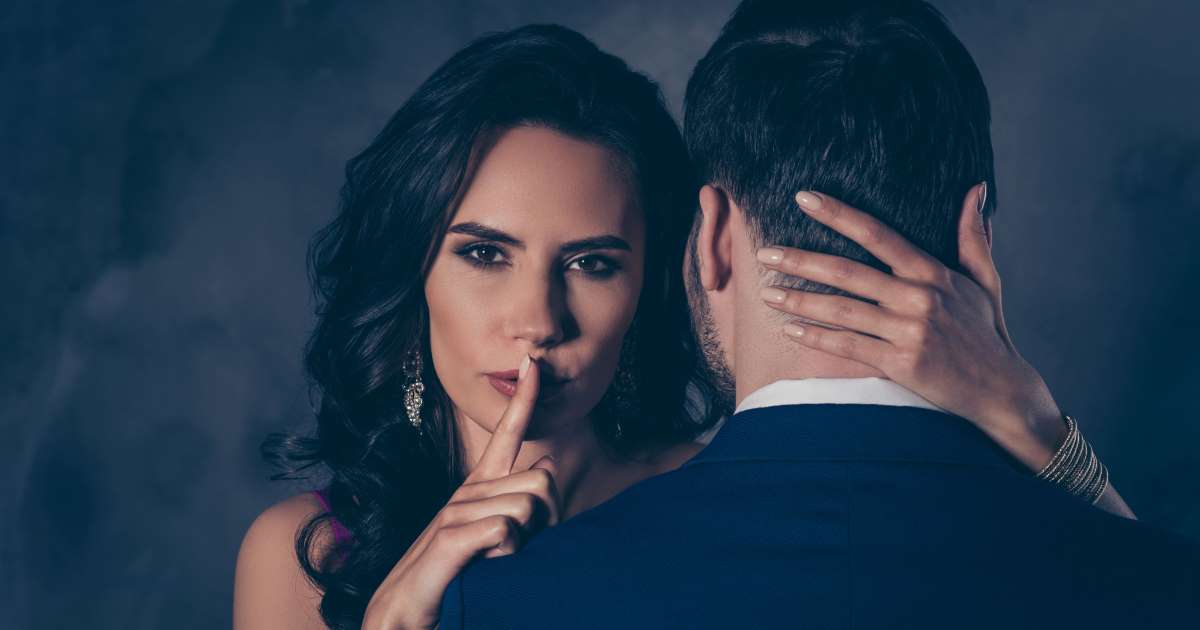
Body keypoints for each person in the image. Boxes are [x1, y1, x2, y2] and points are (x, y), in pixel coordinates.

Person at [233, 19, 1137, 630]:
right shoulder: (305, 554)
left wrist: (1033, 422)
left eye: (592, 264)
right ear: (413, 269)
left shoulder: (728, 499)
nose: (537, 321)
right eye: (484, 253)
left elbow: (1141, 588)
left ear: (669, 272)